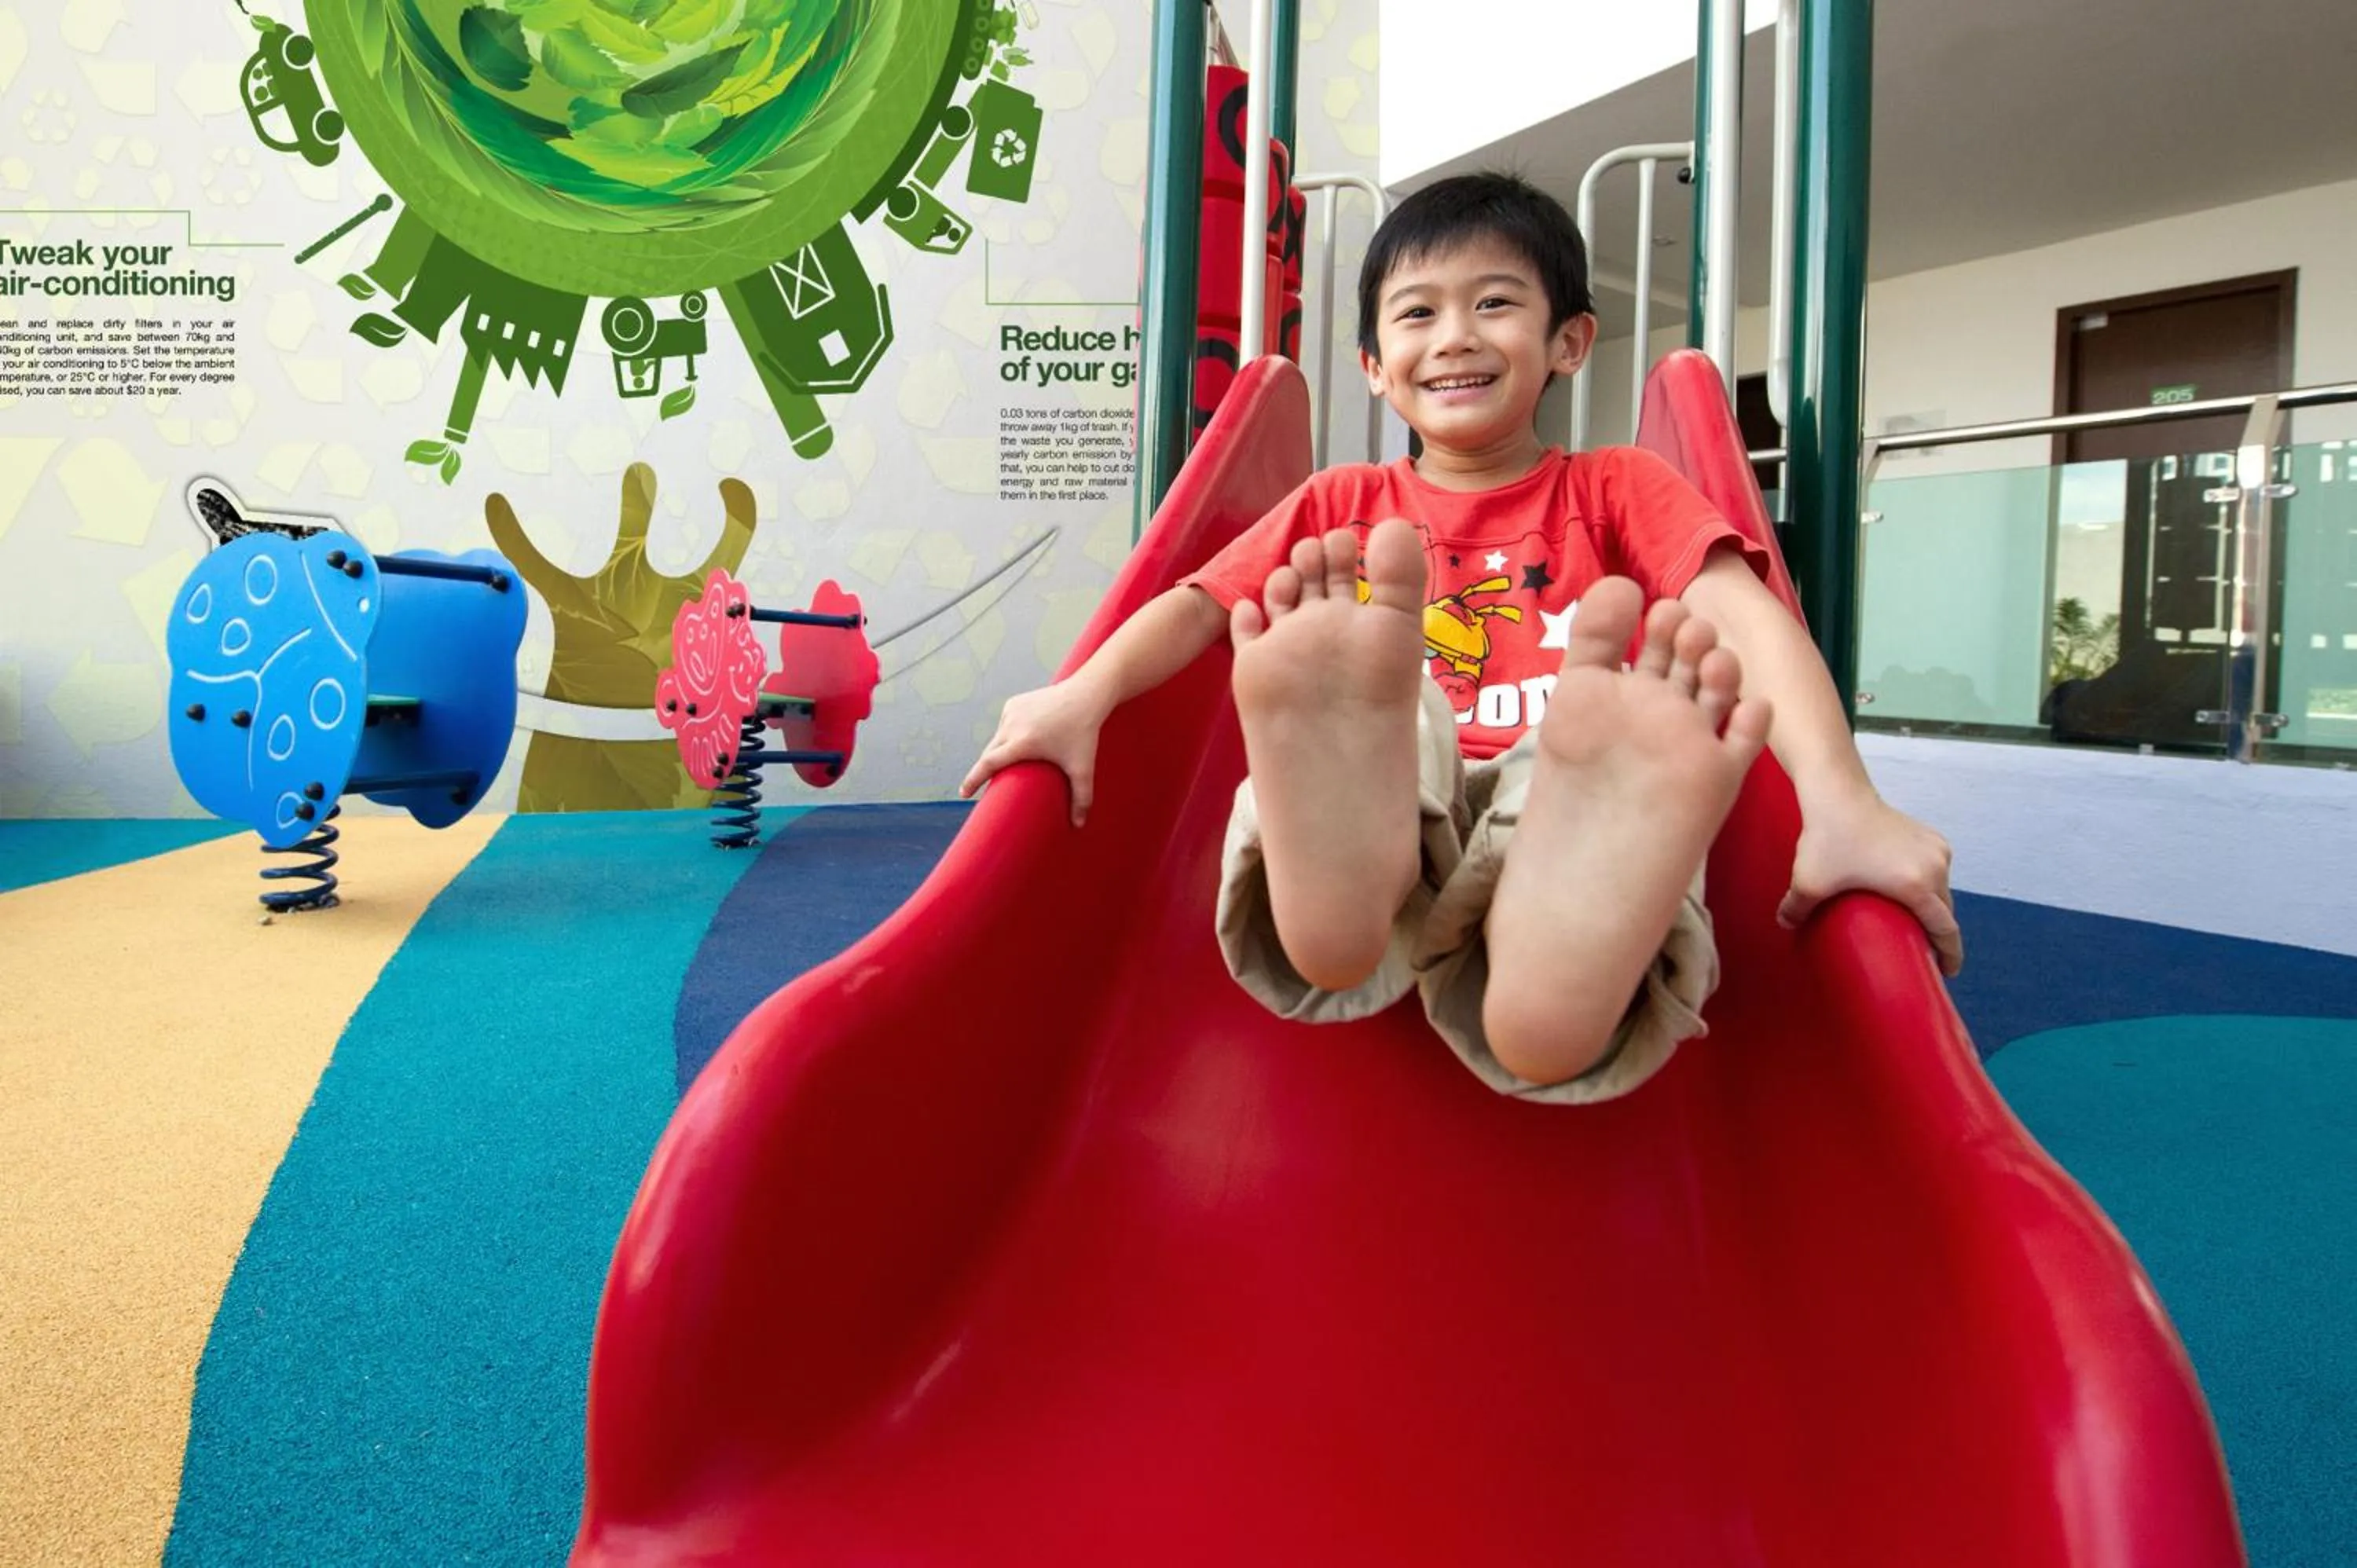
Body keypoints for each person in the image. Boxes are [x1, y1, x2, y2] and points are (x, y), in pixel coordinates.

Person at [963, 171, 1959, 1105]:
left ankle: (1560, 922)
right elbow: (1195, 603)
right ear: (1373, 369)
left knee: (1574, 754)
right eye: (1418, 313)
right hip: (1404, 771)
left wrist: (1840, 800)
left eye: (1494, 304)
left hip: (1560, 765)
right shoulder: (1339, 503)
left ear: (1569, 342)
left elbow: (1745, 613)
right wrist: (1082, 692)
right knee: (1401, 713)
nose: (1454, 336)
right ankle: (1353, 848)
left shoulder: (1621, 487)